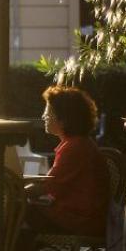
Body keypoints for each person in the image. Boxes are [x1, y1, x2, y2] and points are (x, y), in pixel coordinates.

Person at [25, 86, 109, 238]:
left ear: (63, 120)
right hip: (82, 217)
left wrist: (12, 190)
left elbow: (47, 186)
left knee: (15, 209)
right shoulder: (78, 144)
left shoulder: (74, 147)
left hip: (80, 221)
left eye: (48, 112)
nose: (43, 116)